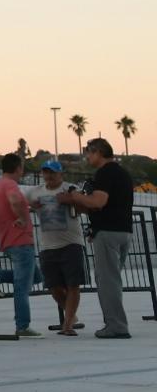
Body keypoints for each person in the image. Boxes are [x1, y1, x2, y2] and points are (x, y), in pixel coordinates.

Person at [57, 137, 135, 339]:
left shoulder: (106, 172)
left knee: (108, 281)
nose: (87, 157)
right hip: (123, 231)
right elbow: (98, 206)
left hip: (108, 233)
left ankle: (116, 326)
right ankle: (116, 323)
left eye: (89, 153)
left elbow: (98, 201)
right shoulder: (122, 173)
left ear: (99, 152)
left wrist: (74, 195)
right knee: (113, 280)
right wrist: (78, 202)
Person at [25, 160, 87, 336]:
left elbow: (85, 206)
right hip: (47, 245)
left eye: (52, 172)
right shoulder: (35, 192)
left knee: (73, 284)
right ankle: (71, 314)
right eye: (46, 172)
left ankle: (67, 325)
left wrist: (71, 199)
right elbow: (20, 201)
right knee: (54, 287)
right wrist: (31, 205)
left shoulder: (70, 188)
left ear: (61, 174)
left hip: (71, 243)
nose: (49, 175)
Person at [0, 154, 42, 336]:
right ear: (18, 168)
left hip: (9, 240)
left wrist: (30, 206)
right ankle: (22, 325)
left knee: (35, 276)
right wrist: (21, 217)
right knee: (22, 286)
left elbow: (19, 202)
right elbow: (15, 200)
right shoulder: (10, 185)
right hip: (20, 240)